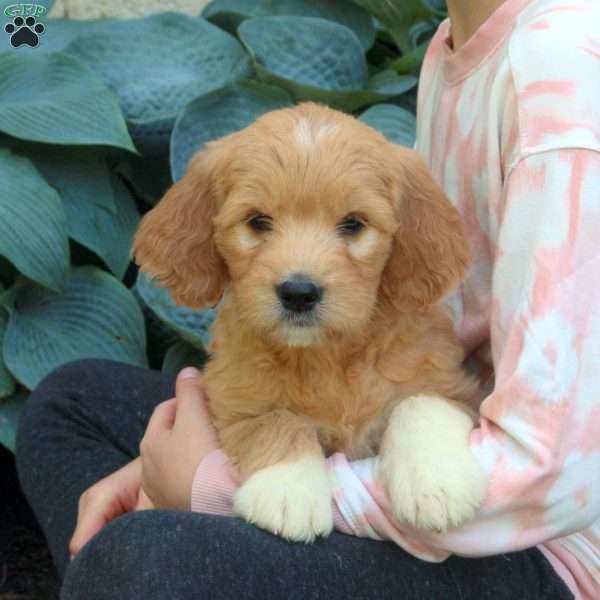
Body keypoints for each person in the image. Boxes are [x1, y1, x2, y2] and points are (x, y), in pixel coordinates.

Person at [16, 0, 600, 598]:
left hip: (540, 542)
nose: (299, 273)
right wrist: (169, 466)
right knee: (71, 403)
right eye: (258, 224)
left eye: (352, 228)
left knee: (138, 557)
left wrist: (208, 486)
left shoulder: (558, 75)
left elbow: (554, 473)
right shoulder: (456, 45)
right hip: (404, 453)